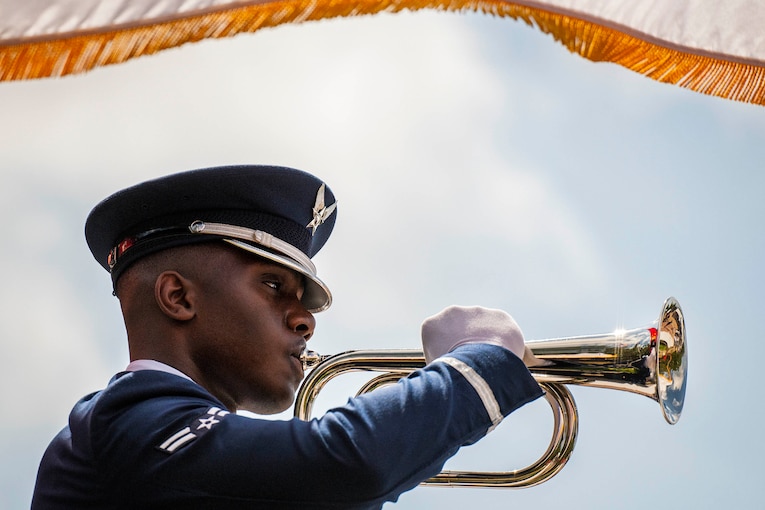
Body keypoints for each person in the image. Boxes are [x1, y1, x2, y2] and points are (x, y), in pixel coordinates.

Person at [31, 164, 543, 509]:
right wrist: (473, 370)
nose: (305, 321)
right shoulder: (128, 419)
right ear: (178, 298)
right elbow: (345, 464)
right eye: (273, 286)